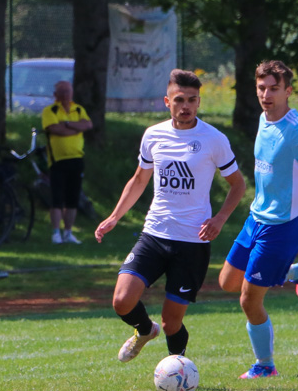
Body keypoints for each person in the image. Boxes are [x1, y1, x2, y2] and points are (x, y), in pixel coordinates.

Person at [95, 69, 246, 363]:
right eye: (180, 100)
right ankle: (143, 330)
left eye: (192, 100)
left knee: (171, 323)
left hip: (192, 242)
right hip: (154, 234)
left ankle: (178, 370)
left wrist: (219, 219)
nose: (186, 106)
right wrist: (114, 216)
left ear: (199, 102)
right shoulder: (153, 135)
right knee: (122, 301)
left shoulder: (214, 139)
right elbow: (139, 179)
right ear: (167, 101)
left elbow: (238, 184)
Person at [219, 60, 298, 379]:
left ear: (288, 91)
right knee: (227, 283)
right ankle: (296, 272)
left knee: (249, 301)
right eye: (262, 88)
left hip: (281, 229)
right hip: (255, 220)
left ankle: (265, 365)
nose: (266, 94)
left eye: (274, 88)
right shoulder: (264, 119)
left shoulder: (296, 129)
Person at [41, 81, 93, 244]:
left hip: (76, 158)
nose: (65, 95)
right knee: (57, 197)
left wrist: (68, 124)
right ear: (55, 95)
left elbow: (87, 124)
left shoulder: (78, 109)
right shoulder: (50, 111)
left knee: (72, 198)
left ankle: (68, 232)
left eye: (67, 91)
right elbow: (55, 129)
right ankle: (56, 232)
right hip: (57, 160)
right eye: (61, 92)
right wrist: (75, 129)